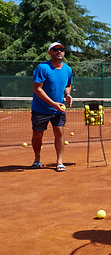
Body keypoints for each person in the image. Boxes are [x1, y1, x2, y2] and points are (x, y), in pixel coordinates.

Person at [30, 42, 73, 172]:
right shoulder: (42, 68)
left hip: (58, 109)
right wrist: (52, 103)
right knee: (38, 135)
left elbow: (68, 84)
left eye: (61, 49)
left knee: (59, 132)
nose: (59, 51)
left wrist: (67, 94)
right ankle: (37, 159)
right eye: (55, 50)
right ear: (50, 52)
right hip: (40, 109)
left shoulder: (68, 69)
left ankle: (59, 161)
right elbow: (37, 89)